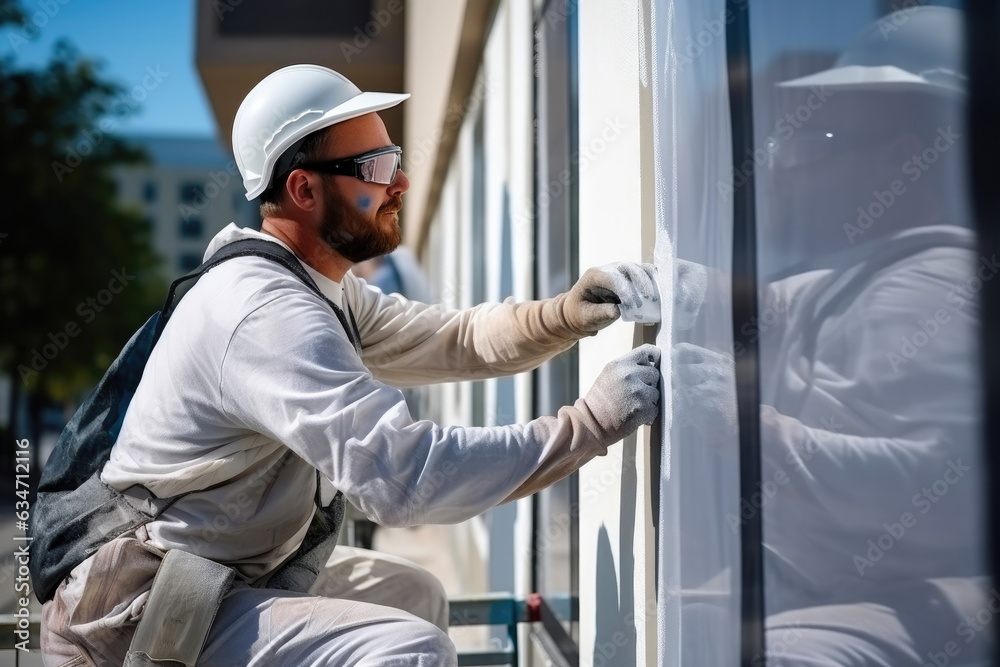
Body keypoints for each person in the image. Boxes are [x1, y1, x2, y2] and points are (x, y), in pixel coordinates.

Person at [39, 64, 662, 666]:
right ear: (304, 189)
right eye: (376, 166)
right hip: (135, 618)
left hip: (217, 577)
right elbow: (404, 478)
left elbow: (455, 338)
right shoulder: (263, 312)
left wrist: (566, 313)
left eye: (395, 160)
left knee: (414, 595)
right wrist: (589, 426)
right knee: (409, 649)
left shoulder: (316, 287)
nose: (400, 183)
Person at [675, 7, 988, 666]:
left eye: (824, 138)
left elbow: (938, 490)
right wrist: (679, 287)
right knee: (674, 621)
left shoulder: (931, 287)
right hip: (839, 579)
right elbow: (776, 305)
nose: (791, 163)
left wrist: (749, 428)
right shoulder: (875, 268)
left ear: (906, 160)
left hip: (919, 593)